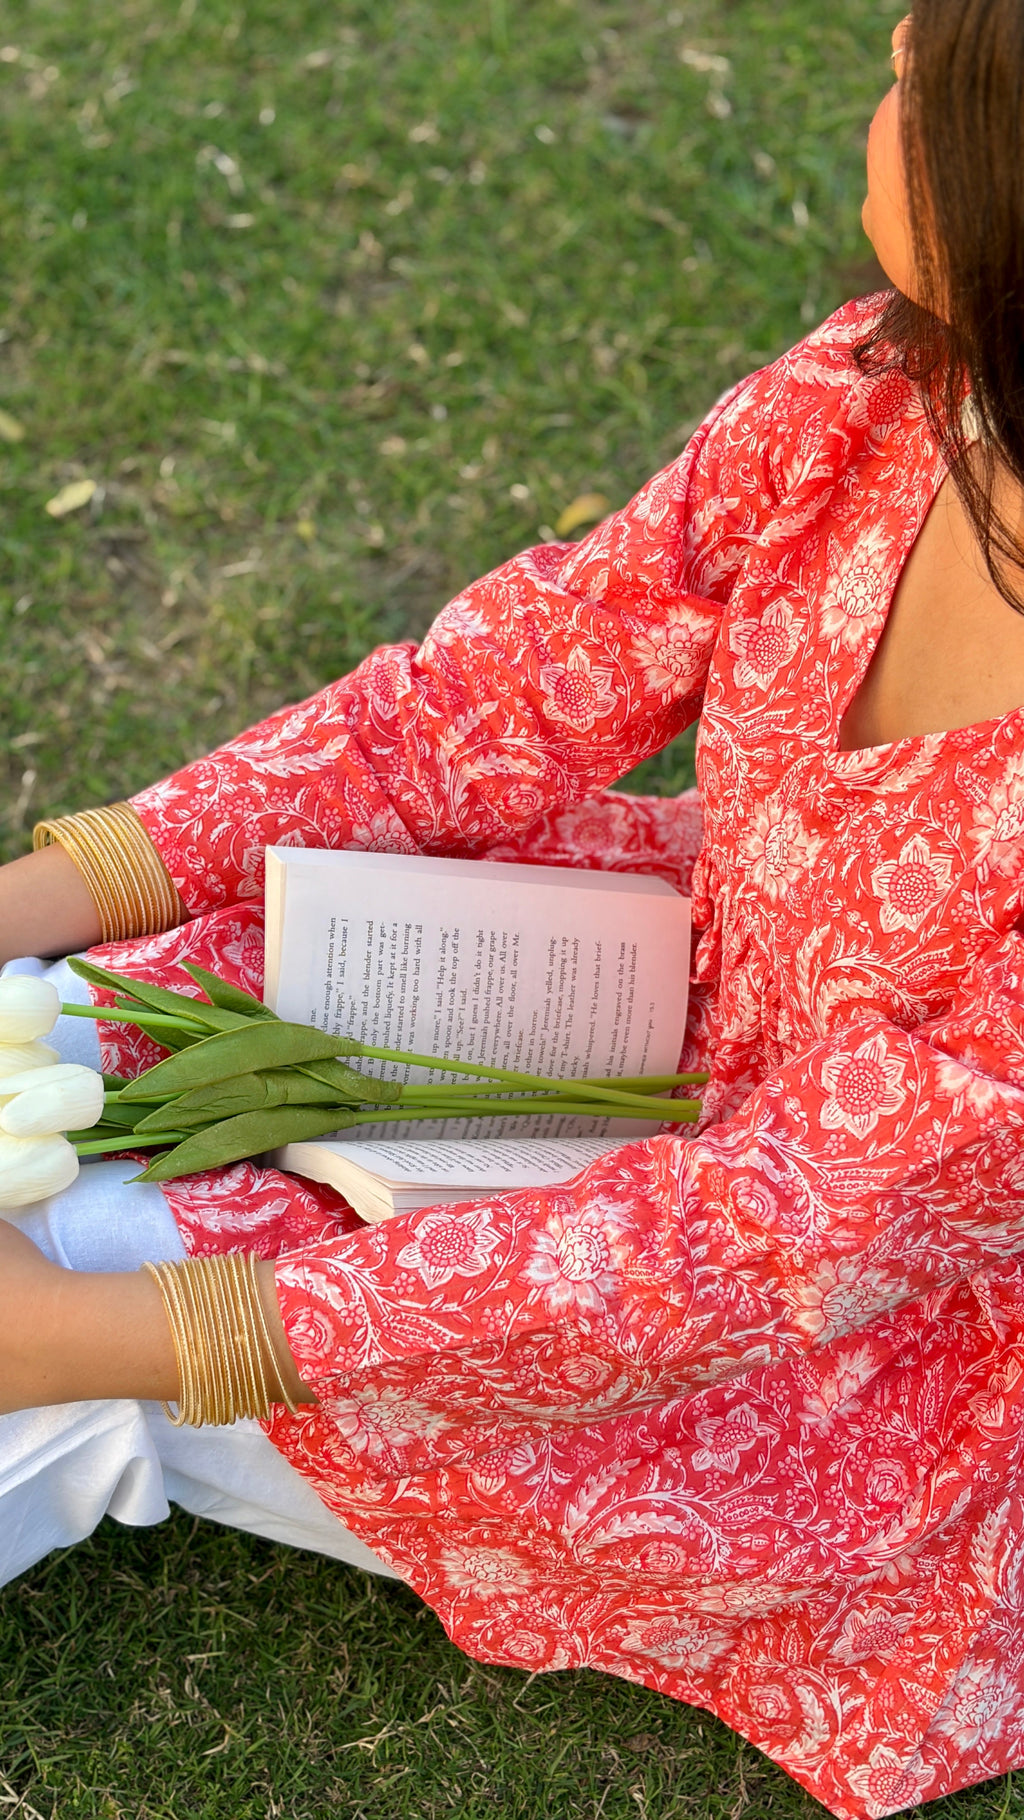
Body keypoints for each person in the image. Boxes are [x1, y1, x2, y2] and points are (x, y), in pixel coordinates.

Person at [2, 3, 1024, 1812]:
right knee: (63, 1055)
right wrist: (24, 905)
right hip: (638, 1009)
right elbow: (487, 700)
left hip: (829, 1352)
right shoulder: (886, 402)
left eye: (918, 76)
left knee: (88, 1297)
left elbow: (756, 1248)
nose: (884, 42)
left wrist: (93, 1344)